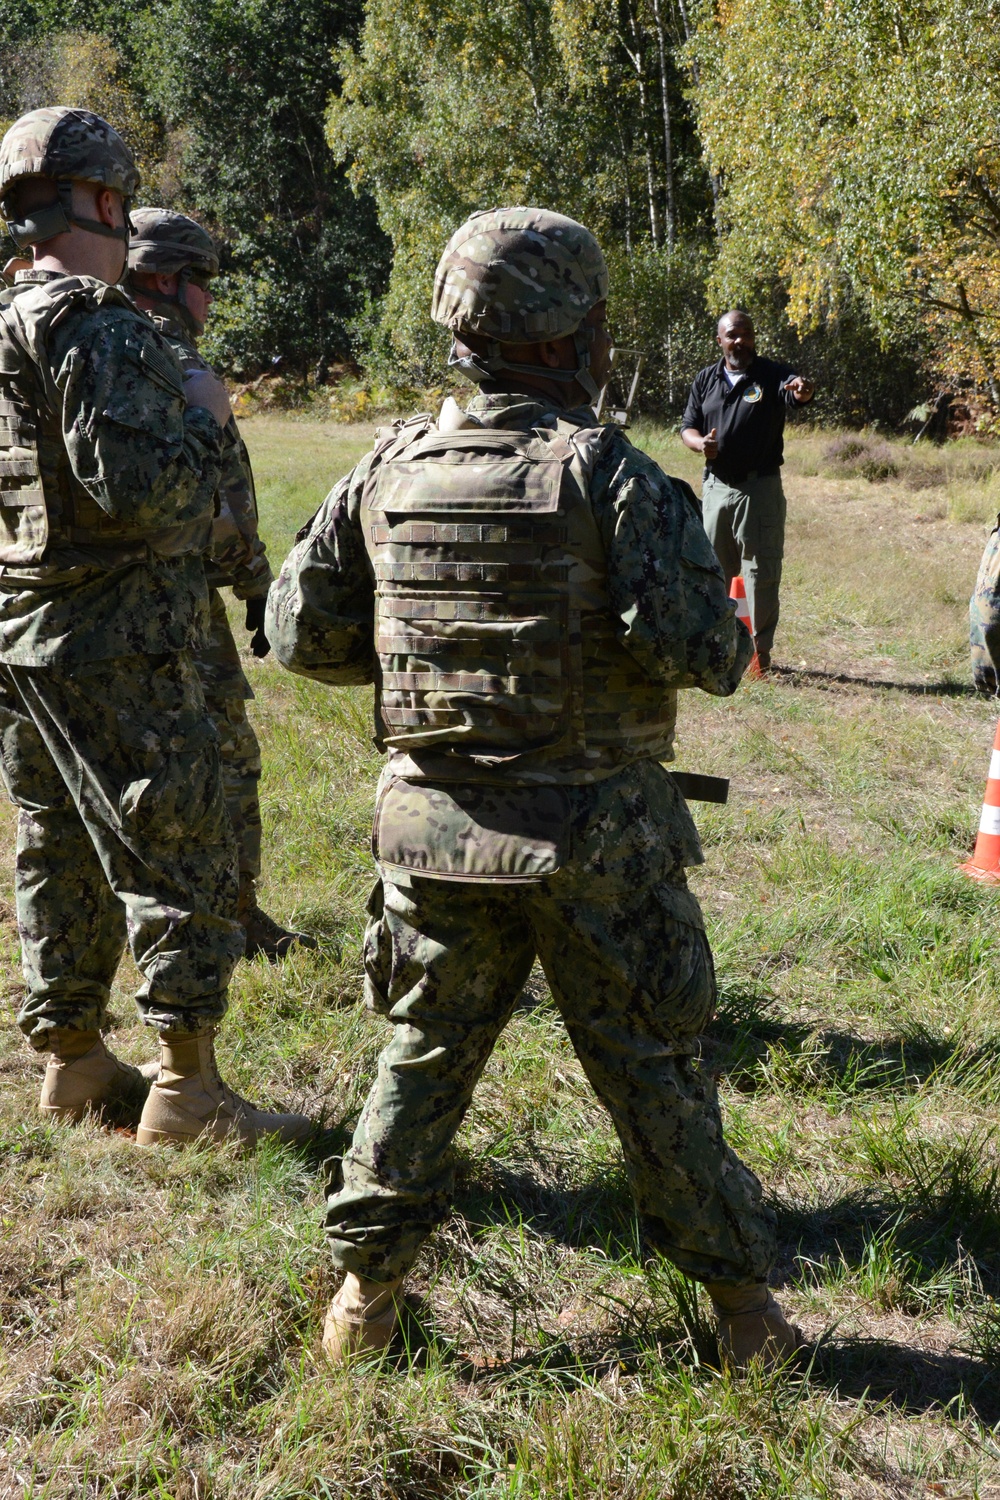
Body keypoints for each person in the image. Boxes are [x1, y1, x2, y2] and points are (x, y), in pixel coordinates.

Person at [268, 207, 800, 1369]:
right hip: (594, 842)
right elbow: (708, 657)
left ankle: (361, 1306)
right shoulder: (609, 474)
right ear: (576, 335)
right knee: (653, 1074)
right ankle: (747, 1321)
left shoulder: (387, 466)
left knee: (418, 1064)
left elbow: (298, 633)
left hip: (432, 836)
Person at [0, 107, 308, 1146]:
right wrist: (206, 432)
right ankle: (187, 1090)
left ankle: (75, 1063)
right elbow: (145, 496)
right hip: (118, 636)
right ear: (103, 199)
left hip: (21, 635)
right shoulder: (101, 321)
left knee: (55, 848)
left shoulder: (7, 319)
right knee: (172, 849)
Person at [126, 208, 315, 960]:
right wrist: (256, 586)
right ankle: (232, 917)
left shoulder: (82, 346)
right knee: (227, 763)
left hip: (83, 607)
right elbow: (221, 504)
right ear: (167, 280)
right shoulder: (177, 363)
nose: (208, 299)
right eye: (202, 280)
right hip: (177, 607)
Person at [680, 311, 815, 671]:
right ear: (720, 340)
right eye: (733, 335)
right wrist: (699, 446)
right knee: (712, 570)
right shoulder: (706, 379)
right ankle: (717, 650)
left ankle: (759, 656)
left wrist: (802, 391)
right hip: (716, 488)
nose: (740, 341)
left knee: (760, 572)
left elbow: (796, 392)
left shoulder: (771, 375)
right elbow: (688, 426)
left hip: (759, 488)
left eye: (746, 334)